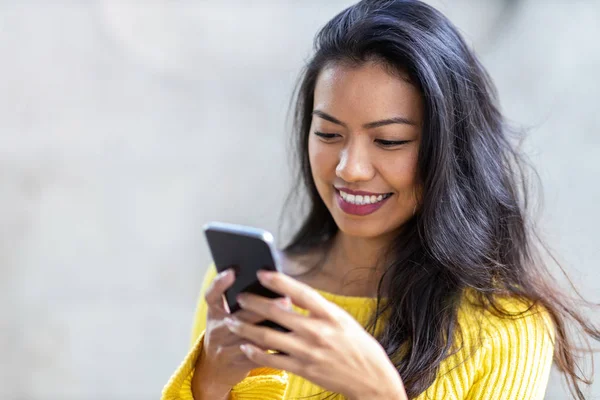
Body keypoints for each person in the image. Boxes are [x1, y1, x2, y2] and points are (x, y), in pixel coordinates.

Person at [162, 1, 599, 399]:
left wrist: (378, 393)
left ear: (450, 150)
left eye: (389, 141)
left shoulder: (507, 326)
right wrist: (210, 382)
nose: (349, 168)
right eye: (328, 134)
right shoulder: (247, 290)